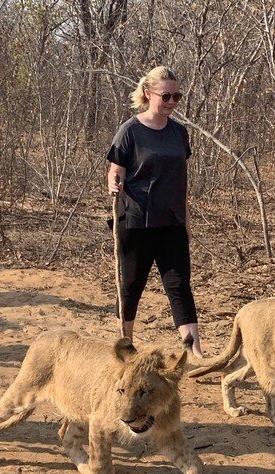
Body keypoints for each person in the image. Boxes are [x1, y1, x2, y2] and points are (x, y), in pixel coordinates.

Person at [106, 66, 203, 358]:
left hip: (171, 222)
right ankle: (125, 346)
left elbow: (181, 181)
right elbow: (115, 171)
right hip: (136, 221)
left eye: (177, 96)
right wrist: (113, 183)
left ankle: (195, 353)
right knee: (131, 285)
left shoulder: (179, 133)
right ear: (148, 94)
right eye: (166, 96)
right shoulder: (130, 131)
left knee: (179, 286)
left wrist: (186, 222)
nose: (172, 102)